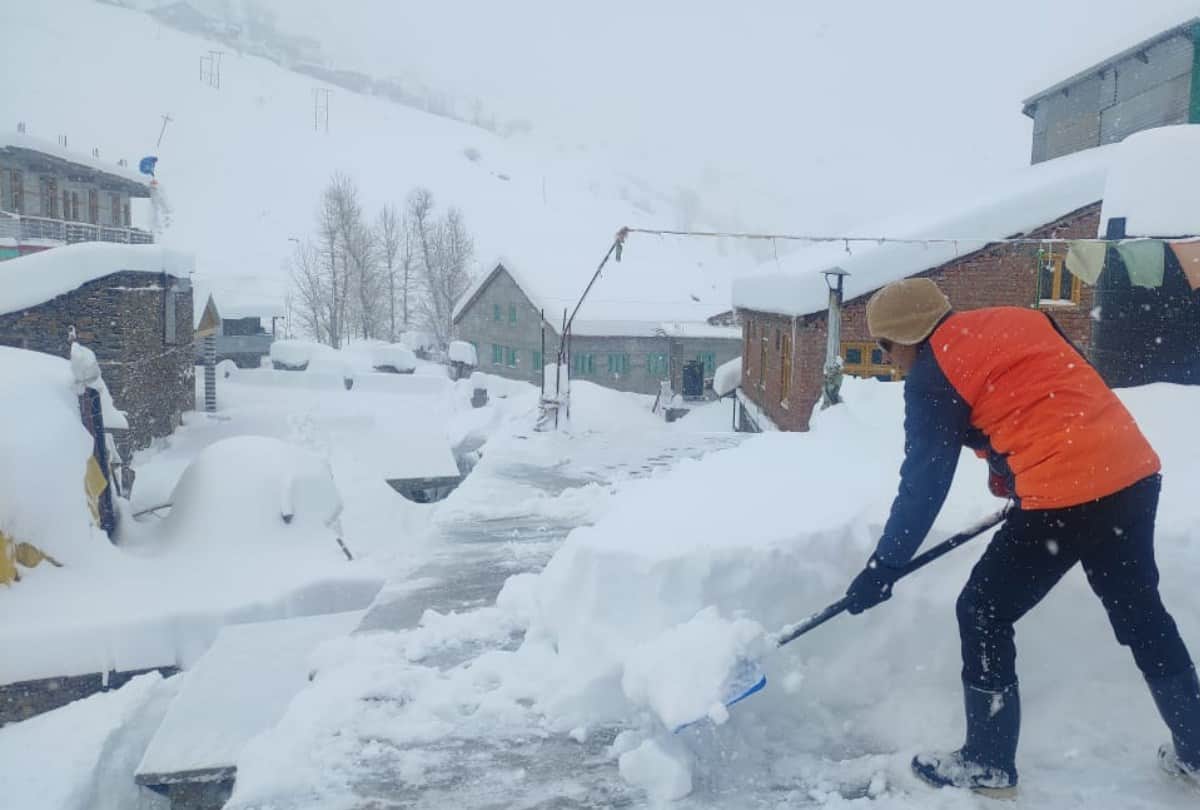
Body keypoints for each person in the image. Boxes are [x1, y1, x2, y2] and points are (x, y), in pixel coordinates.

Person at [843, 277, 1200, 798]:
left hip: (1065, 495)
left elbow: (925, 482)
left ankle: (988, 764)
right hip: (1131, 472)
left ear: (902, 340)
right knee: (1140, 611)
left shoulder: (931, 374)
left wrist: (884, 566)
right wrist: (1017, 474)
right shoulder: (1021, 318)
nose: (890, 359)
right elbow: (1058, 389)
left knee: (983, 610)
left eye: (885, 348)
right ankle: (1196, 751)